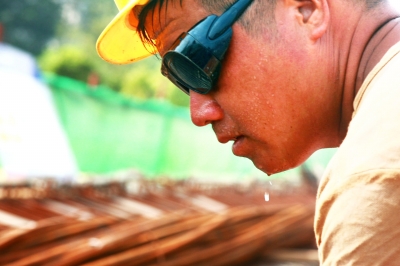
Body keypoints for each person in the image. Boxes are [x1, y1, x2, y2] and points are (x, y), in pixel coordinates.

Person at [97, 0, 400, 264]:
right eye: (181, 79)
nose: (199, 113)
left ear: (306, 8)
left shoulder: (372, 183)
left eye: (196, 56)